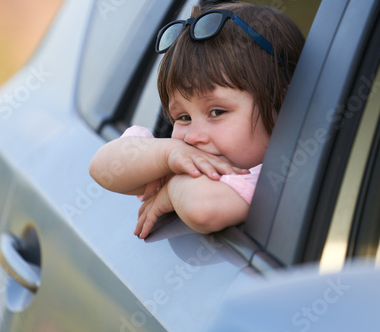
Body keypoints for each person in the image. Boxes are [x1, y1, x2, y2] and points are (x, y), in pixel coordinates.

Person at [89, 2, 305, 239]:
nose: (192, 136)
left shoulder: (270, 179)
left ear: (283, 108)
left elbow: (203, 209)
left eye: (217, 112)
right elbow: (101, 167)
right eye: (183, 117)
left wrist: (171, 190)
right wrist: (168, 153)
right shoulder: (181, 158)